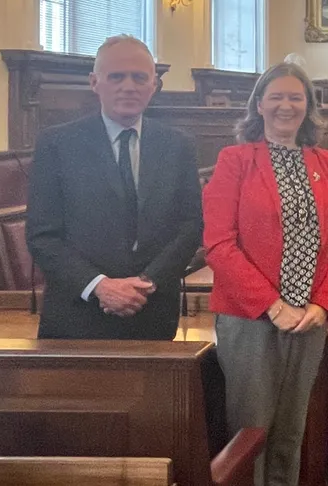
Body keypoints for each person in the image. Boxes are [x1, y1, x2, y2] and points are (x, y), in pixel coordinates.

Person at [203, 62, 328, 486]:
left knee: (291, 430)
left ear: (308, 106)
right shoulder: (235, 160)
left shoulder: (326, 161)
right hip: (251, 318)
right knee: (251, 432)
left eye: (296, 97)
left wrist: (323, 304)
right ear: (259, 104)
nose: (286, 105)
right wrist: (273, 305)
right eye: (277, 96)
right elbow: (219, 244)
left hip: (308, 318)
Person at [27, 34, 202, 340]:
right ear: (95, 82)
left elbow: (189, 226)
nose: (128, 86)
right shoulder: (57, 144)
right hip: (77, 316)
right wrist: (101, 286)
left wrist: (146, 283)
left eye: (139, 77)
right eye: (116, 76)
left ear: (154, 85)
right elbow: (43, 235)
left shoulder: (178, 146)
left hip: (152, 311)